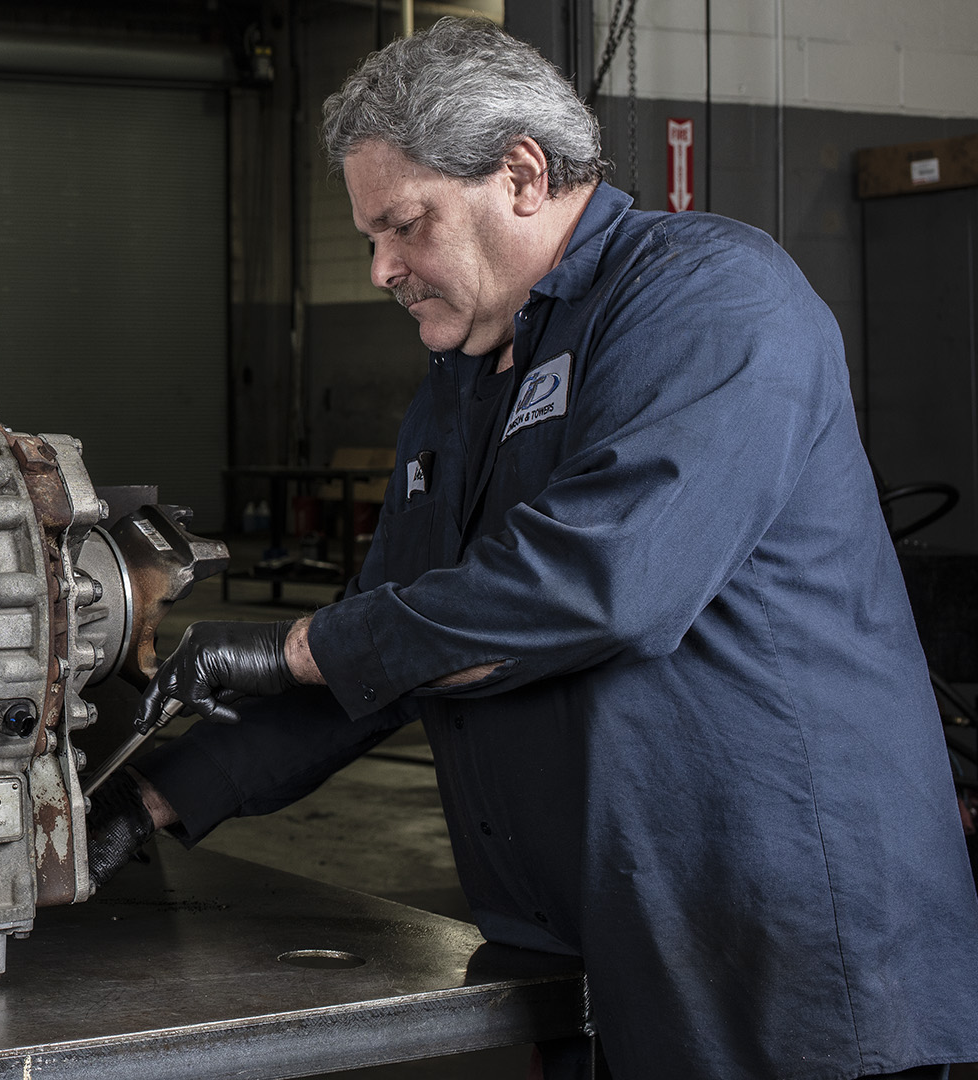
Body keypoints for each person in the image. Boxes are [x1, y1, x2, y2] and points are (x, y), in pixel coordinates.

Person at [85, 18, 978, 1080]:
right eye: (371, 237)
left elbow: (606, 585)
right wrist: (146, 797)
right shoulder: (463, 381)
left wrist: (290, 647)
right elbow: (399, 646)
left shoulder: (709, 297)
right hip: (592, 941)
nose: (380, 268)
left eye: (406, 226)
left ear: (521, 173)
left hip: (775, 955)